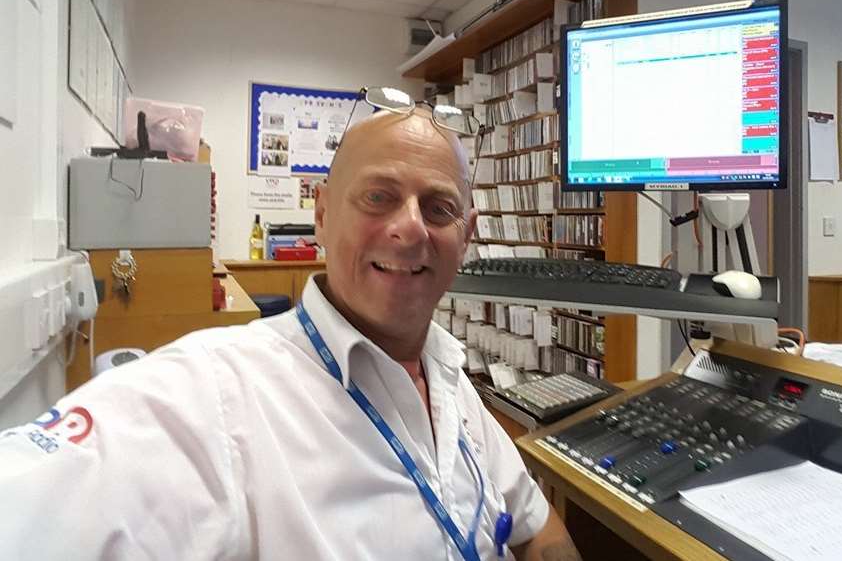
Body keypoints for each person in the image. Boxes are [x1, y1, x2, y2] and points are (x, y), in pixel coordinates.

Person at [0, 108, 581, 561]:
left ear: (466, 235)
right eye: (379, 197)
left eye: (438, 207)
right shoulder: (215, 392)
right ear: (323, 215)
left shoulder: (450, 377)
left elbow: (534, 522)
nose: (410, 228)